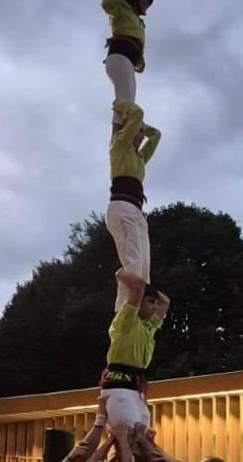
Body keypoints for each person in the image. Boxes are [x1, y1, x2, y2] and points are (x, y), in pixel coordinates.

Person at [99, 269, 168, 459]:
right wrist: (124, 272)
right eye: (150, 302)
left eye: (154, 302)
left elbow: (165, 302)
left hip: (136, 386)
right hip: (119, 384)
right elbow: (137, 287)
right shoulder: (126, 321)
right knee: (126, 439)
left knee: (143, 439)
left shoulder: (148, 327)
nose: (155, 307)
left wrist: (149, 285)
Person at [106, 105, 161, 312]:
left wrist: (143, 127)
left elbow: (156, 136)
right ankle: (122, 313)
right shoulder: (118, 146)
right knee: (134, 262)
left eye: (140, 132)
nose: (139, 135)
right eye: (136, 131)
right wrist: (121, 105)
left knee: (144, 271)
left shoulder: (140, 158)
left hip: (137, 212)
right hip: (121, 207)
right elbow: (137, 114)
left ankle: (136, 313)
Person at [101, 0, 151, 113]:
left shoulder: (139, 22)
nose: (146, 5)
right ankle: (122, 127)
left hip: (130, 62)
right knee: (125, 102)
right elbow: (108, 3)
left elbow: (138, 42)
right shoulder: (122, 7)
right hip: (120, 56)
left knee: (129, 101)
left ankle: (122, 127)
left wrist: (139, 58)